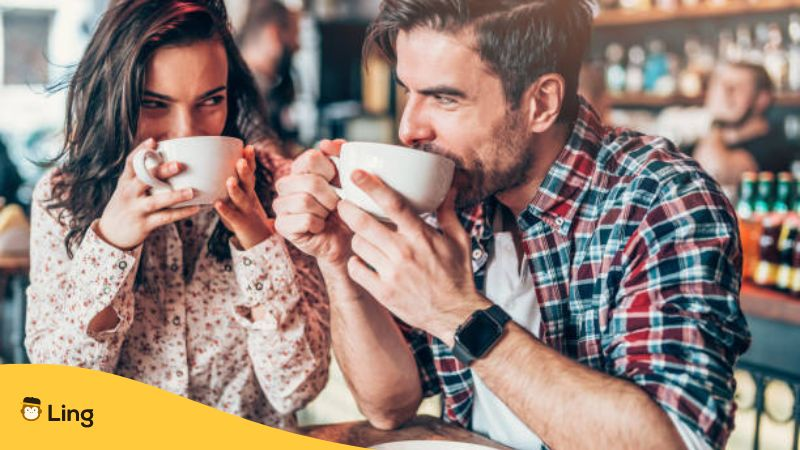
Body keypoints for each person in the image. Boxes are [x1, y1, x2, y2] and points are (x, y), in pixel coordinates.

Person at [273, 1, 750, 449]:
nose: (409, 128)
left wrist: (456, 314)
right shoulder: (454, 193)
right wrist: (338, 260)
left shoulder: (660, 199)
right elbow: (389, 405)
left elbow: (676, 440)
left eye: (444, 98)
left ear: (541, 103)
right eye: (409, 93)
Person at [25, 0, 329, 428]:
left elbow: (296, 387)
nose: (187, 132)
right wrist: (112, 245)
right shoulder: (63, 197)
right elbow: (60, 400)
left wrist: (258, 242)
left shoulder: (278, 186)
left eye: (211, 100)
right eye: (154, 104)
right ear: (112, 98)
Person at [693, 62, 794, 188]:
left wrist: (717, 122)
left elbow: (714, 172)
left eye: (735, 87)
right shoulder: (711, 141)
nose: (723, 94)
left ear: (762, 99)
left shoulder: (771, 148)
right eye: (720, 86)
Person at [237, 0, 300, 153]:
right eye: (295, 35)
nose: (298, 46)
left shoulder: (268, 88)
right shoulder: (243, 90)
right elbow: (270, 156)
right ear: (274, 35)